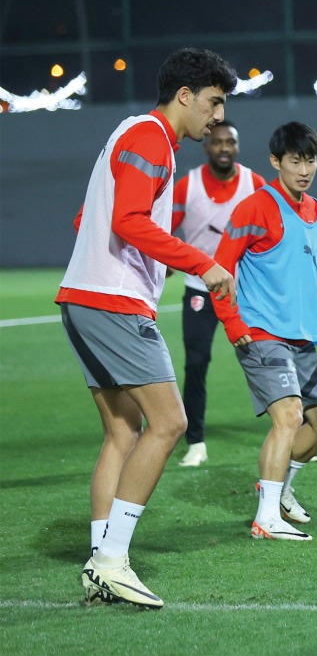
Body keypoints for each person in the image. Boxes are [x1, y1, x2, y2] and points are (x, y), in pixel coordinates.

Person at [59, 48, 238, 608]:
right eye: (213, 103)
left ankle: (99, 560)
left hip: (85, 297)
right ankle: (113, 562)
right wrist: (201, 263)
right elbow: (127, 219)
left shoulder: (132, 134)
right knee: (170, 423)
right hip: (112, 303)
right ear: (184, 96)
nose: (216, 118)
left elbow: (89, 218)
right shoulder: (151, 138)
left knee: (122, 433)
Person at [212, 121, 317, 541]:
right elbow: (218, 271)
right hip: (260, 332)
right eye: (295, 161)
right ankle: (265, 517)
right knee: (289, 416)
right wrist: (234, 325)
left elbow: (315, 276)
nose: (304, 169)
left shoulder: (316, 209)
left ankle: (281, 490)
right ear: (275, 162)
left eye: (310, 161)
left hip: (302, 334)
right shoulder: (255, 208)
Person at [171, 120, 265, 467]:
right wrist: (166, 261)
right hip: (200, 289)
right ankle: (195, 442)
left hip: (244, 293)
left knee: (268, 359)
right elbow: (163, 229)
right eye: (218, 142)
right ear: (206, 146)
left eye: (231, 142)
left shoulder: (254, 183)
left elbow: (269, 229)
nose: (224, 148)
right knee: (196, 363)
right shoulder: (188, 186)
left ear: (237, 147)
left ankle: (298, 430)